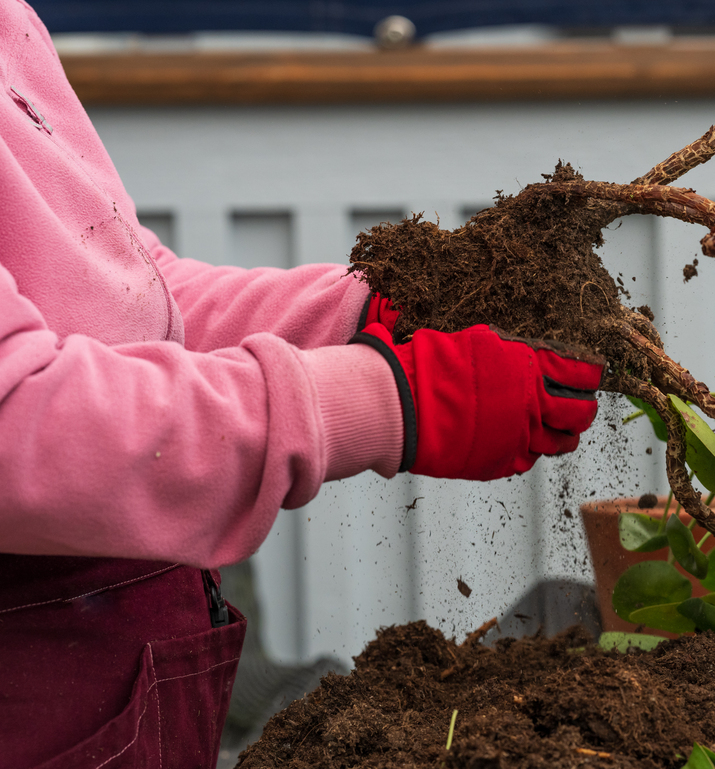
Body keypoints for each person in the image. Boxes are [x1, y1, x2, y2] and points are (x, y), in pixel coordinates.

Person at [0, 1, 605, 766]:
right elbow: (18, 421)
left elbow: (125, 293)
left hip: (116, 677)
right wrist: (385, 397)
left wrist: (379, 314)